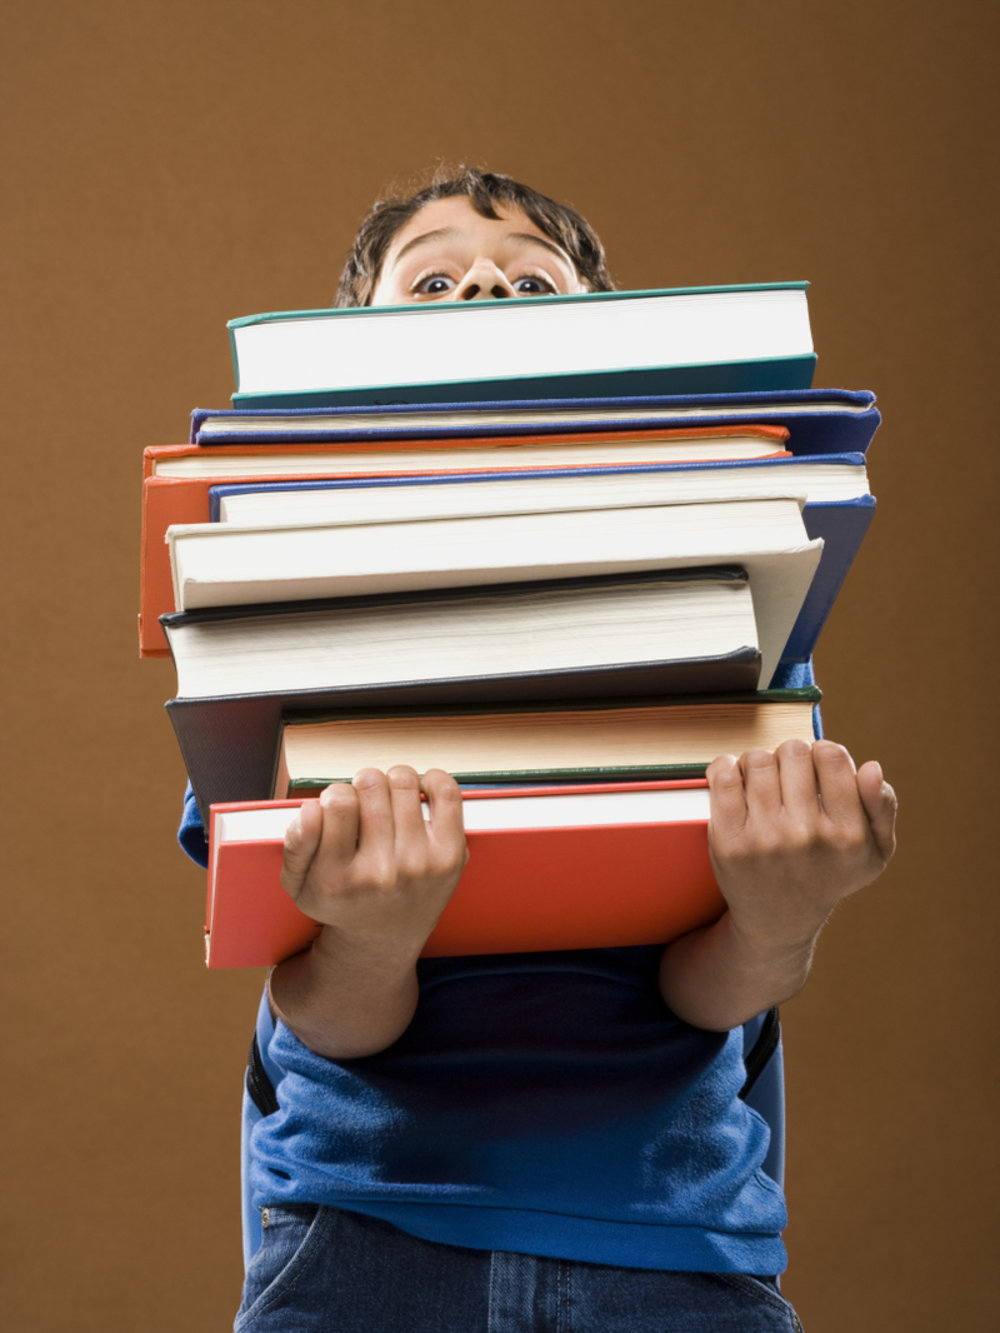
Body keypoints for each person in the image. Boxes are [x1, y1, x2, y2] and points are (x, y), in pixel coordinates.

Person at [178, 169, 898, 1331]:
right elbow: (322, 1007)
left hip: (673, 1234)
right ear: (346, 355)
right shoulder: (278, 617)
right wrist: (375, 933)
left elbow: (708, 990)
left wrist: (780, 918)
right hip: (368, 1230)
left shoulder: (731, 609)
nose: (480, 288)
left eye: (527, 280)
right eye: (434, 278)